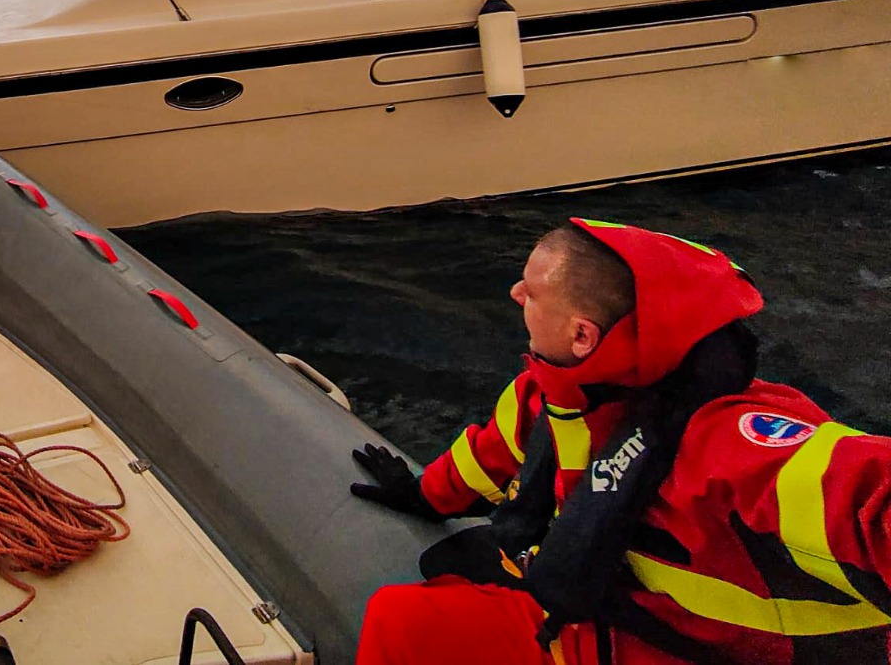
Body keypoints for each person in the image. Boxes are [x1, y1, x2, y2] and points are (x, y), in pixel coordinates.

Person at [350, 218, 891, 665]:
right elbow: (491, 455)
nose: (514, 294)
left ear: (581, 335)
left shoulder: (724, 437)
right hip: (595, 627)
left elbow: (862, 491)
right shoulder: (549, 392)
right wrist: (424, 496)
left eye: (531, 292)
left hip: (686, 650)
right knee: (401, 619)